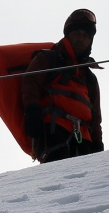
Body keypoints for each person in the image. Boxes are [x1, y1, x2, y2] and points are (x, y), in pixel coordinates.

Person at [21, 9, 103, 162]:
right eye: (77, 34)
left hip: (84, 138)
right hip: (53, 130)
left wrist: (97, 141)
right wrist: (32, 111)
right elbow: (30, 83)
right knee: (58, 179)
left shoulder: (89, 78)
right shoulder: (48, 58)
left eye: (86, 36)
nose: (81, 39)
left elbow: (95, 116)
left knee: (89, 183)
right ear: (68, 35)